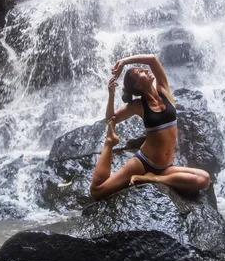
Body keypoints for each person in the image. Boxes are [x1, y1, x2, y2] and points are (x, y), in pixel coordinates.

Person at [90, 53, 211, 201]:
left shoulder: (164, 90)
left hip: (165, 168)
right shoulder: (139, 105)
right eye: (140, 72)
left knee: (204, 179)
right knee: (97, 191)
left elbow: (152, 59)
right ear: (137, 85)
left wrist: (124, 62)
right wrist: (111, 94)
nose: (146, 71)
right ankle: (110, 142)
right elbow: (111, 119)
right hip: (143, 163)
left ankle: (153, 179)